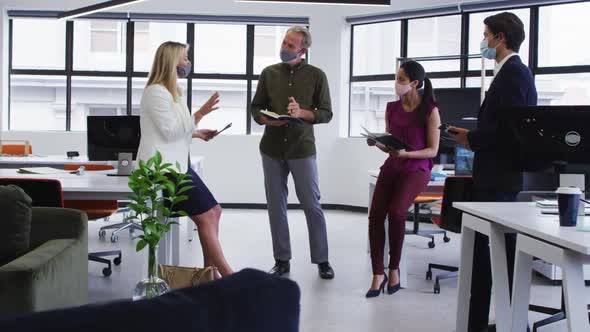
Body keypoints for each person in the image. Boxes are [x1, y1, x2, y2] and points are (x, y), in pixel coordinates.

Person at [447, 12, 537, 331]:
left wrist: (471, 138)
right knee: (488, 257)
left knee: (495, 257)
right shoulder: (507, 72)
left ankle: (504, 322)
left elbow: (511, 132)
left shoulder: (514, 73)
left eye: (486, 35)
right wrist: (472, 137)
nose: (483, 41)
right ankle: (486, 321)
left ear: (500, 37)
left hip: (499, 179)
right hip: (494, 175)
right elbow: (501, 126)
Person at [137, 41, 233, 277]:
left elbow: (175, 129)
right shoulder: (155, 92)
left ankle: (209, 276)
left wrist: (197, 133)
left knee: (215, 211)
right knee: (206, 215)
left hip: (178, 165)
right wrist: (199, 114)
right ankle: (227, 276)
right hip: (161, 169)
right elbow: (169, 131)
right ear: (171, 61)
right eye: (184, 57)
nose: (188, 62)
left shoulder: (175, 92)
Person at [250, 26, 335, 279]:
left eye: (290, 46)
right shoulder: (269, 73)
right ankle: (282, 260)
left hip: (302, 149)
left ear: (303, 50)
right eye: (284, 43)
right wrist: (266, 120)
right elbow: (256, 108)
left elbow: (326, 113)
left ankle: (322, 260)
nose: (284, 48)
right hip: (272, 149)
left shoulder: (317, 76)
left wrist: (302, 113)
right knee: (276, 206)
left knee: (312, 204)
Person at [365, 60, 440, 298]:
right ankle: (378, 273)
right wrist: (378, 143)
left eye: (401, 80)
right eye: (396, 79)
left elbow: (432, 150)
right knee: (376, 213)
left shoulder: (430, 110)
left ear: (415, 83)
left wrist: (406, 154)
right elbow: (391, 147)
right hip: (393, 165)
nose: (396, 84)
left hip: (416, 168)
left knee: (396, 212)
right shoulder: (391, 108)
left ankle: (394, 268)